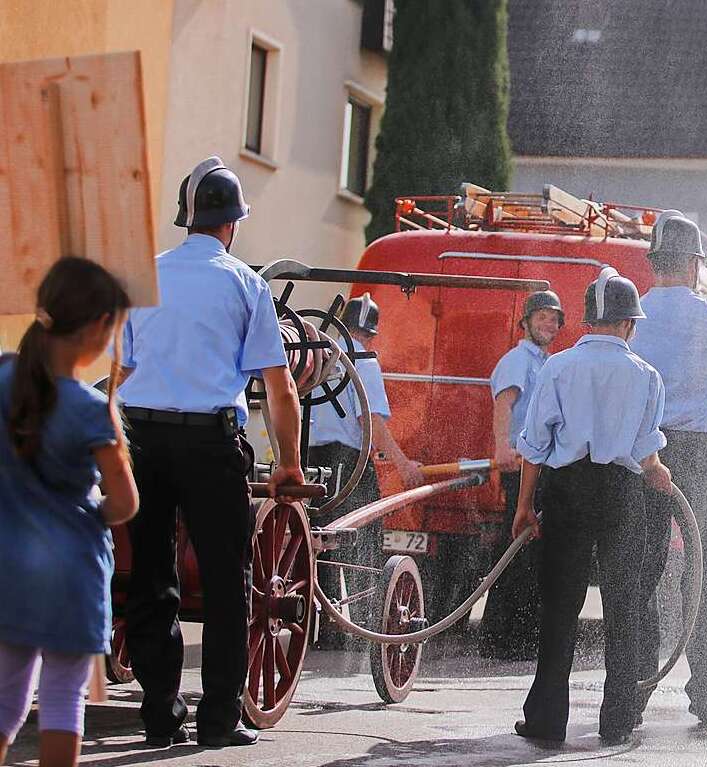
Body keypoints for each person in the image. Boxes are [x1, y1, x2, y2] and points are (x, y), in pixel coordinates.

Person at [119, 157, 303, 749]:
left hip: (141, 440)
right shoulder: (245, 285)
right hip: (210, 442)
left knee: (151, 578)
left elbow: (116, 375)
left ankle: (159, 715)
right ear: (232, 224)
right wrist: (289, 464)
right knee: (228, 585)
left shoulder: (142, 275)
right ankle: (219, 721)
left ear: (187, 219)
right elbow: (280, 389)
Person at [511, 268, 672, 745]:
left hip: (567, 489)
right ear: (628, 324)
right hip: (623, 493)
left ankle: (546, 722)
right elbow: (647, 454)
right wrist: (659, 471)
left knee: (560, 608)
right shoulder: (647, 376)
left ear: (587, 321)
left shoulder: (557, 368)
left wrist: (524, 508)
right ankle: (618, 721)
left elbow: (535, 448)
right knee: (626, 608)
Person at [0, 257, 138, 767]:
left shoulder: (3, 377)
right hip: (71, 578)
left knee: (5, 698)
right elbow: (125, 503)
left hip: (7, 568)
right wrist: (93, 513)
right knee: (61, 698)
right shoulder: (89, 409)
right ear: (101, 326)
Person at [631, 211, 707, 729]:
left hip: (644, 453)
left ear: (655, 263)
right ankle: (706, 696)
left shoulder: (634, 316)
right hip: (700, 453)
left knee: (641, 570)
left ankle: (632, 693)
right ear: (696, 264)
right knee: (705, 575)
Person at [307, 292, 423, 637]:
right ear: (370, 333)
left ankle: (325, 626)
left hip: (313, 458)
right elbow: (369, 420)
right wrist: (403, 465)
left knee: (321, 539)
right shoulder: (364, 361)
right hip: (347, 460)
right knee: (362, 541)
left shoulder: (321, 355)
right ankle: (359, 623)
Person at [478, 290, 564, 660]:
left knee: (532, 551)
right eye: (541, 317)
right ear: (526, 322)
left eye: (554, 319)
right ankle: (500, 638)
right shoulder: (518, 360)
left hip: (539, 465)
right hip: (520, 464)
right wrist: (501, 448)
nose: (548, 324)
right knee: (518, 549)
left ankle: (518, 637)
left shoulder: (544, 362)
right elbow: (505, 402)